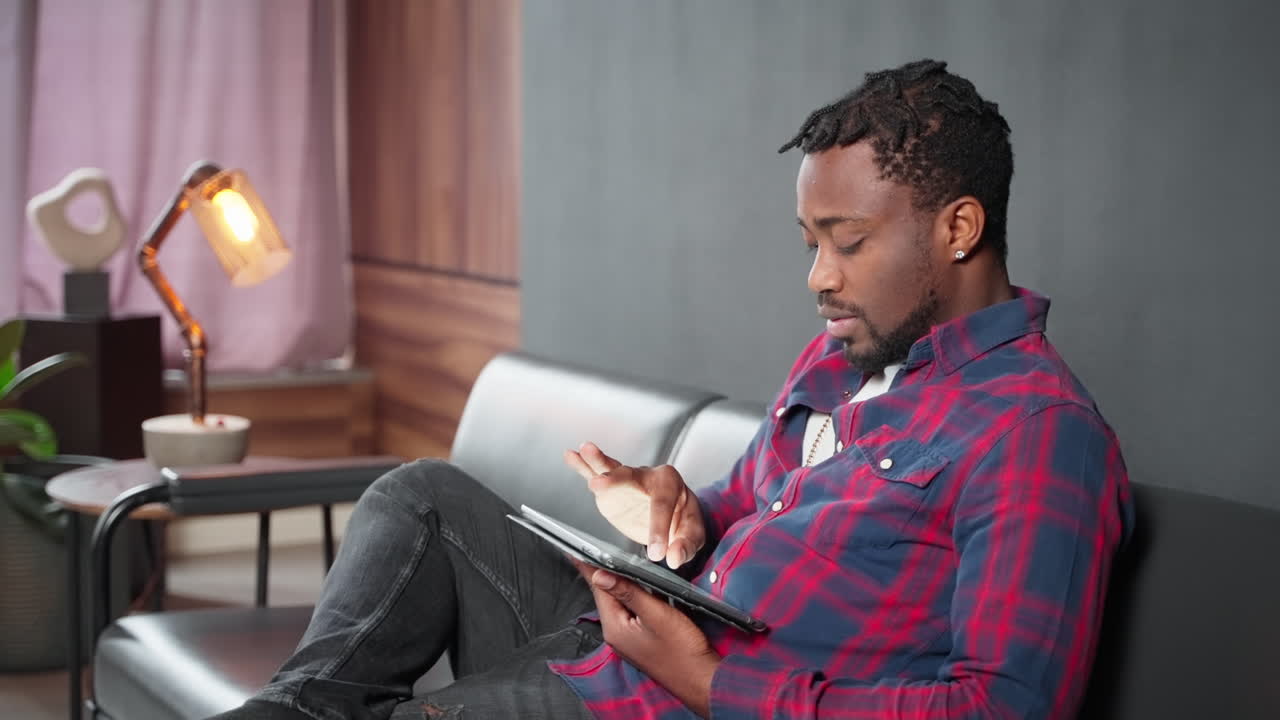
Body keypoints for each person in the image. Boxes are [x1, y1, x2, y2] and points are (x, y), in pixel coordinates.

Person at [211, 58, 1132, 720]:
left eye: (847, 243)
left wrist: (709, 683)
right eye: (809, 243)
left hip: (681, 699)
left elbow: (1003, 706)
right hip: (622, 643)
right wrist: (678, 509)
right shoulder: (843, 359)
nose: (818, 276)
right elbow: (748, 513)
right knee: (421, 496)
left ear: (959, 228)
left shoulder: (1036, 433)